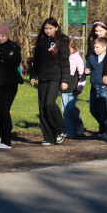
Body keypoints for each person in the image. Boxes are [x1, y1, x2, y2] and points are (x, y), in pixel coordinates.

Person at [29, 17, 70, 146]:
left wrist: (65, 80)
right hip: (42, 78)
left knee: (49, 104)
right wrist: (33, 75)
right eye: (45, 28)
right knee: (42, 108)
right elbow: (36, 60)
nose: (47, 31)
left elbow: (65, 62)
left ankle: (60, 130)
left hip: (55, 78)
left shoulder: (61, 42)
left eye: (50, 28)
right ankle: (48, 136)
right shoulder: (41, 42)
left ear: (56, 28)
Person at [86, 21, 107, 138]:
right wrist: (87, 70)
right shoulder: (92, 56)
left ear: (104, 48)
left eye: (97, 47)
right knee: (93, 109)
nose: (95, 49)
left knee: (103, 107)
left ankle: (103, 130)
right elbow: (89, 64)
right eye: (94, 47)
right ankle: (105, 125)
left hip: (104, 86)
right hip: (94, 85)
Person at [61, 38, 86, 138]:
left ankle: (78, 124)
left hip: (73, 87)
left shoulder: (76, 58)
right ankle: (69, 131)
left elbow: (82, 74)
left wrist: (80, 86)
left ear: (72, 47)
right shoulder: (63, 58)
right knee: (65, 111)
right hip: (64, 88)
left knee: (71, 108)